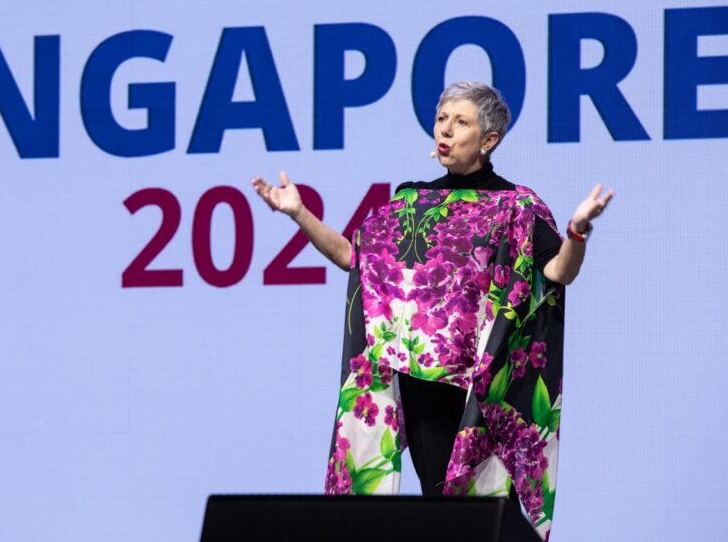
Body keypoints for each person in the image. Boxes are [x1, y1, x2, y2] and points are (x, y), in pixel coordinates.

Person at [251, 81, 612, 539]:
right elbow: (353, 257)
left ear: (488, 141)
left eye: (460, 122)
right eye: (442, 118)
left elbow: (558, 273)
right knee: (440, 511)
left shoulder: (517, 207)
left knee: (486, 520)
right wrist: (299, 213)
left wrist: (577, 233)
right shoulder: (409, 202)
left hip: (480, 393)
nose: (445, 129)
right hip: (420, 387)